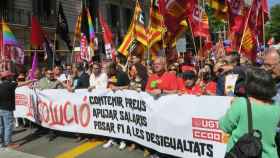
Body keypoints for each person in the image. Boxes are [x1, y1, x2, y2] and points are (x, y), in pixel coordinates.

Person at [219, 67, 280, 158]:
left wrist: (232, 106)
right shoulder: (276, 107)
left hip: (240, 154)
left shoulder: (241, 103)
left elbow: (224, 126)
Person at [0, 71, 33, 149]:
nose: (12, 77)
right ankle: (8, 143)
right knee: (8, 126)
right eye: (10, 76)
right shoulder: (10, 85)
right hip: (7, 109)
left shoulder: (1, 85)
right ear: (7, 77)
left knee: (1, 127)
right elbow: (22, 83)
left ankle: (2, 142)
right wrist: (31, 80)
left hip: (0, 108)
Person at [103, 62, 129, 150]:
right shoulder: (109, 75)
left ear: (112, 68)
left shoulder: (122, 74)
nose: (106, 71)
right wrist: (110, 86)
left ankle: (123, 140)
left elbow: (129, 87)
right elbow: (109, 85)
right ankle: (113, 139)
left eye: (107, 69)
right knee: (113, 121)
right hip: (112, 103)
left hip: (122, 103)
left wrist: (117, 88)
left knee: (122, 121)